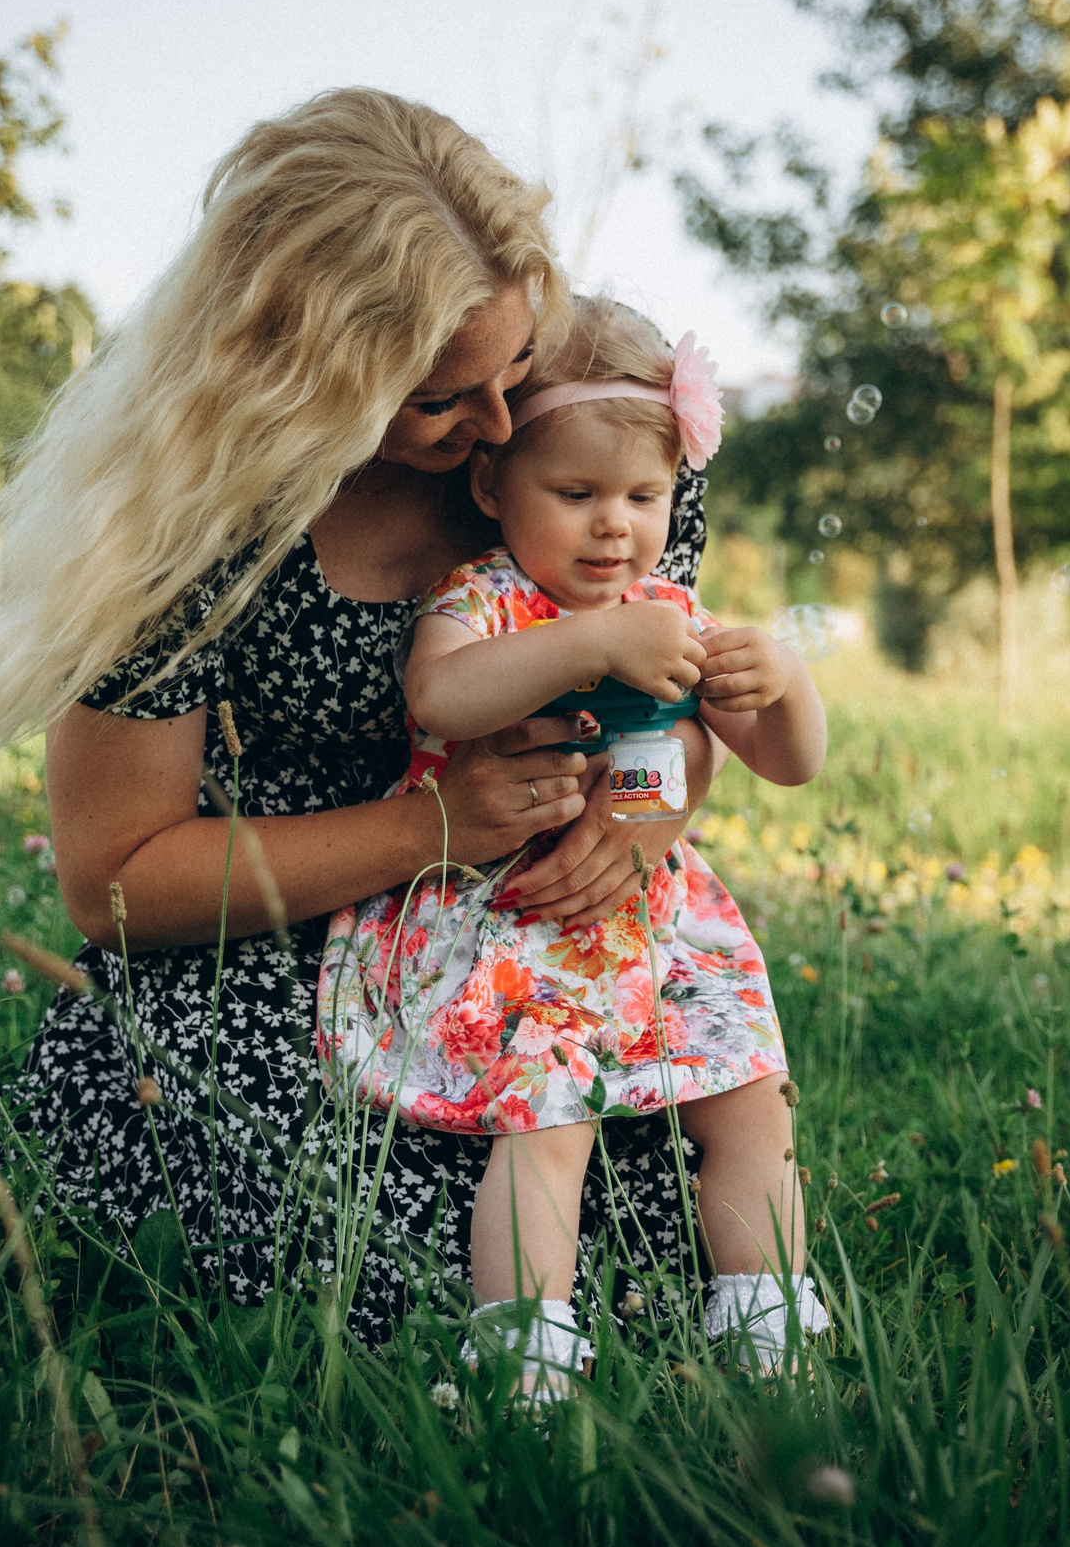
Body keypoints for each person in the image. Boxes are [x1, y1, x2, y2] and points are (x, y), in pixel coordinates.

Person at [0, 89, 711, 1340]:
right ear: (313, 381)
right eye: (443, 400)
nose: (499, 427)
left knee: (676, 1236)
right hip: (264, 957)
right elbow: (110, 880)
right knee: (379, 1277)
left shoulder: (582, 435)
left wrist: (649, 818)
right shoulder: (193, 531)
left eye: (513, 369)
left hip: (522, 948)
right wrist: (431, 826)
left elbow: (679, 694)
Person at [318, 299, 827, 1383]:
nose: (616, 526)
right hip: (510, 917)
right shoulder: (484, 597)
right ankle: (525, 1347)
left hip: (654, 917)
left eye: (645, 496)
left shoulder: (668, 608)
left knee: (748, 1091)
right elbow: (444, 698)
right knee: (548, 1118)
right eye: (578, 493)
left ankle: (766, 1316)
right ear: (494, 487)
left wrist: (782, 685)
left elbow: (787, 760)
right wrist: (590, 639)